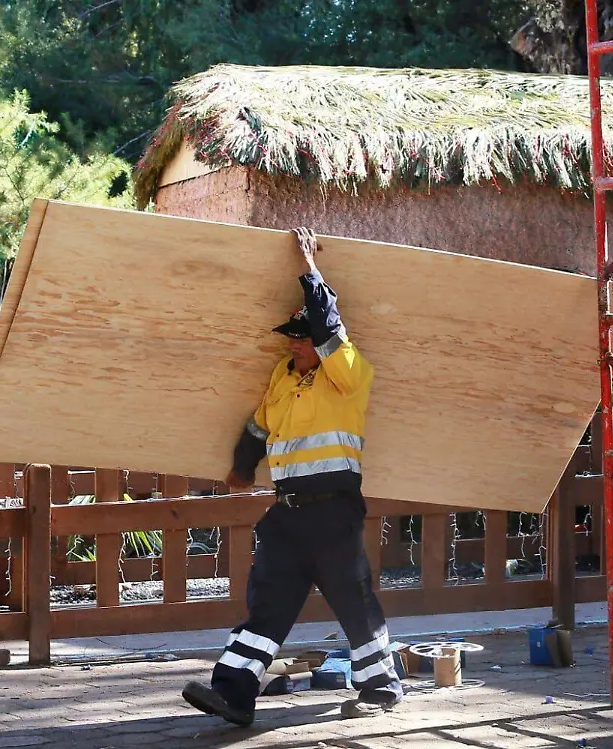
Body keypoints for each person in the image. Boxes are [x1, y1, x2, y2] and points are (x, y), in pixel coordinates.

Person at [182, 227, 402, 726]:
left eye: (302, 339)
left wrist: (308, 269)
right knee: (267, 607)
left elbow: (330, 328)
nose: (295, 346)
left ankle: (381, 685)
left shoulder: (350, 373)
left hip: (334, 511)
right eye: (291, 338)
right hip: (288, 515)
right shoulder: (283, 378)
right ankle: (234, 695)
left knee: (354, 602)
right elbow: (259, 424)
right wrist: (242, 465)